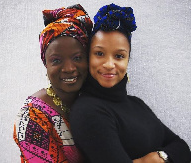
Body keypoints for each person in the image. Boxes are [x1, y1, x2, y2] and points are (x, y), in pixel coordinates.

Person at [70, 3, 191, 163]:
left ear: (128, 60)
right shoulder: (87, 111)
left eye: (119, 56)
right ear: (89, 56)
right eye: (99, 53)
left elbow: (182, 147)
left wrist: (159, 158)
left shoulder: (137, 104)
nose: (109, 64)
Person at [13, 4, 92, 163]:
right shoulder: (32, 117)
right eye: (56, 60)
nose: (69, 68)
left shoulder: (93, 101)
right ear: (46, 63)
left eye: (77, 58)